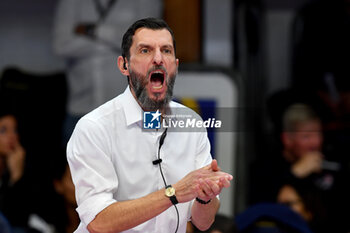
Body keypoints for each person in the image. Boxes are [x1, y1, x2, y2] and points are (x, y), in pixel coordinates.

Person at [67, 18, 233, 233]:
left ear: (175, 65)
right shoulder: (94, 128)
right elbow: (99, 222)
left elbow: (203, 222)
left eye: (166, 51)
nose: (158, 59)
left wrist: (205, 197)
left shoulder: (191, 124)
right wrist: (174, 193)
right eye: (145, 51)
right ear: (124, 65)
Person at [53, 0, 163, 143]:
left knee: (147, 162)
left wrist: (94, 31)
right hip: (81, 110)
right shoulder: (71, 3)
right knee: (76, 164)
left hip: (136, 110)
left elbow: (147, 43)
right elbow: (60, 46)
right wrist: (118, 41)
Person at [249, 103, 349, 231]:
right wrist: (295, 173)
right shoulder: (266, 167)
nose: (315, 142)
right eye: (306, 136)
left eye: (318, 134)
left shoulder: (332, 164)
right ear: (287, 139)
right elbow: (257, 210)